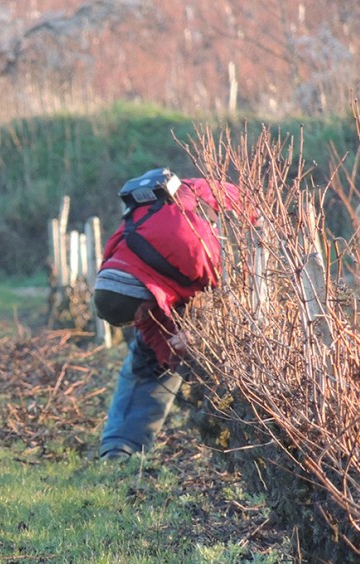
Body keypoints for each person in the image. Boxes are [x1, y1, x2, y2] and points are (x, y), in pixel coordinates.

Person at [92, 167, 241, 462]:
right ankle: (120, 446)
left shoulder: (192, 248)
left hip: (230, 246)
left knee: (214, 351)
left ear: (143, 294)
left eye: (139, 313)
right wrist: (176, 360)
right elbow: (150, 326)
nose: (141, 319)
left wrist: (203, 332)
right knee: (148, 360)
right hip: (171, 280)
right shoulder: (120, 269)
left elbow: (239, 294)